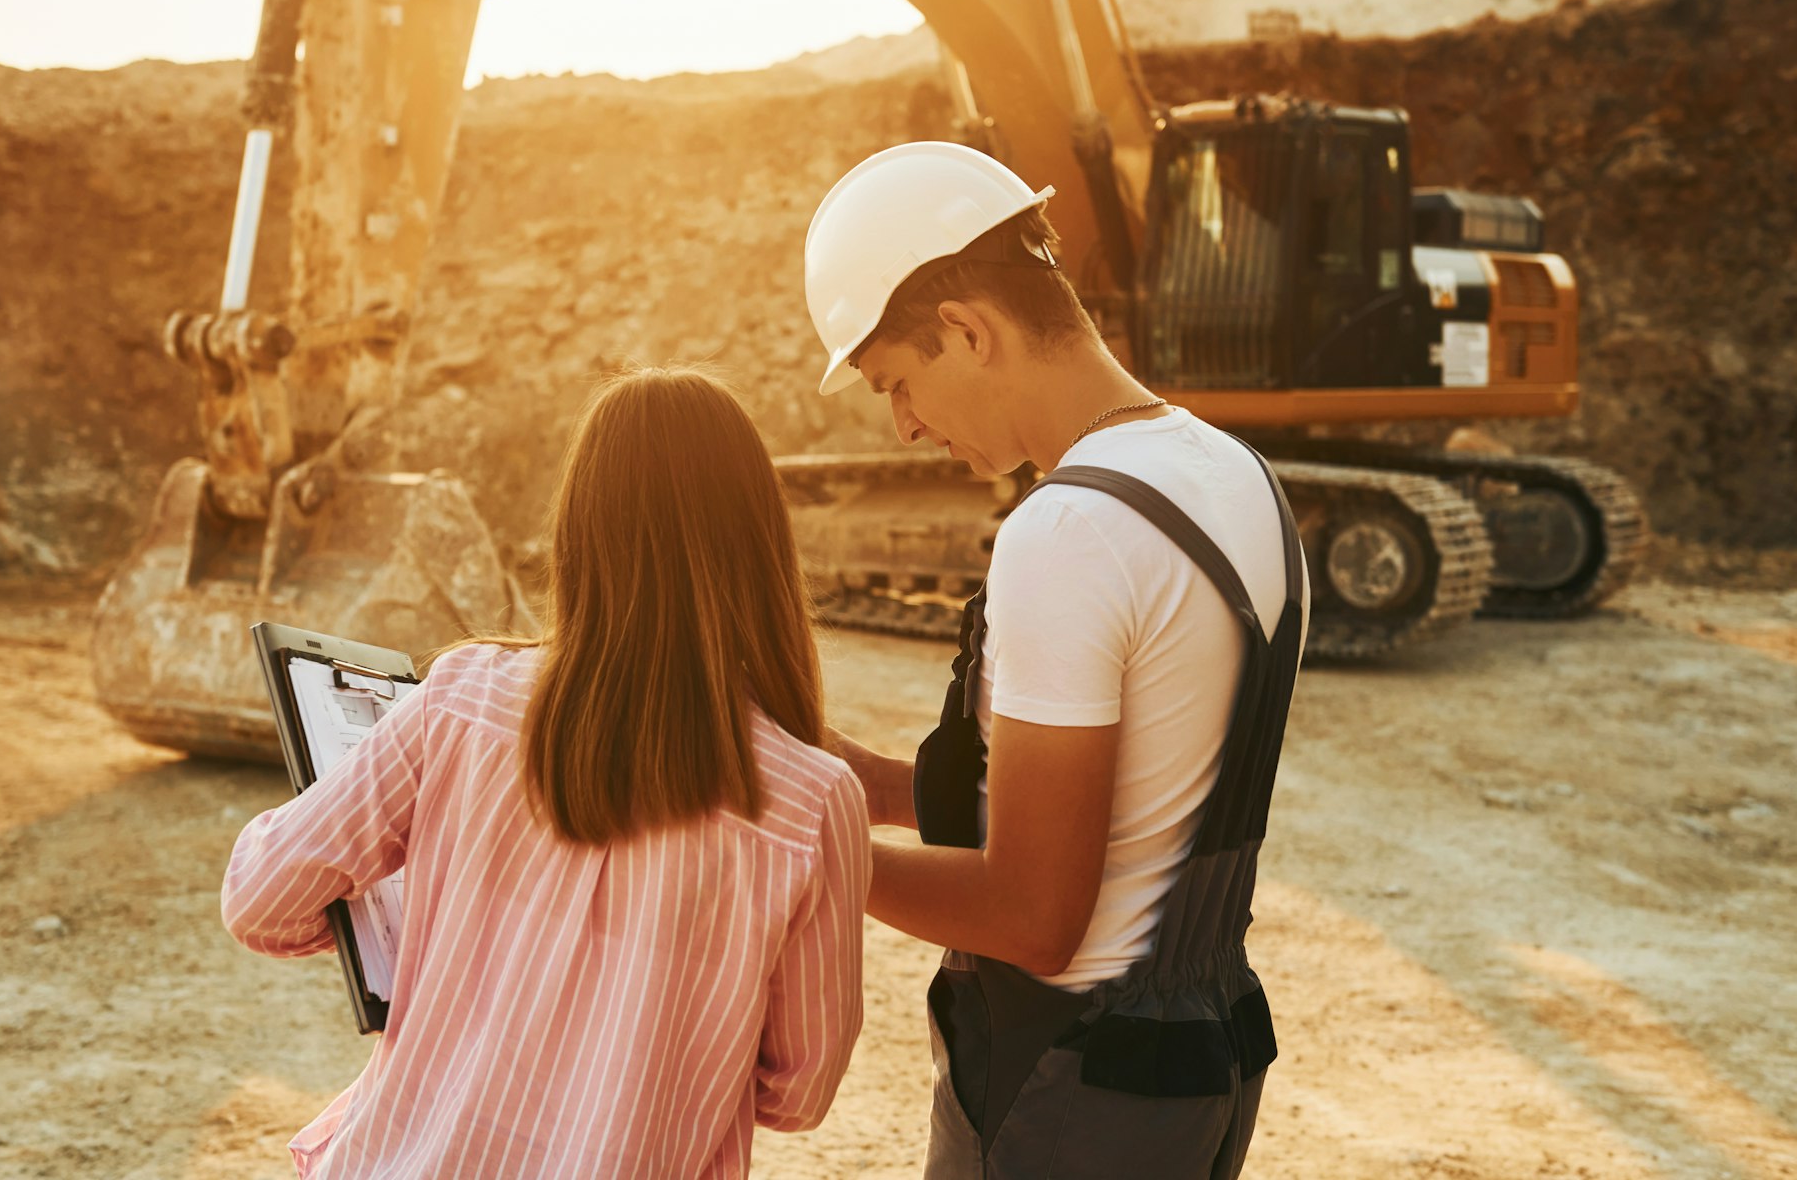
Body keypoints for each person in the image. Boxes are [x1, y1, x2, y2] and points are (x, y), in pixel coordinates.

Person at [220, 366, 870, 1179]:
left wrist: (405, 931)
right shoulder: (814, 804)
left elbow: (260, 903)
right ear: (761, 544)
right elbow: (797, 1094)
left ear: (578, 530)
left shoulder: (462, 700)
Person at [803, 142, 1308, 1179]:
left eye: (896, 383)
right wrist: (853, 779)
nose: (902, 426)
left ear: (965, 330)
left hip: (1067, 1092)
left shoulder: (1068, 527)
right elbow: (1138, 812)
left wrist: (794, 844)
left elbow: (1034, 914)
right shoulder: (1234, 473)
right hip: (1194, 1066)